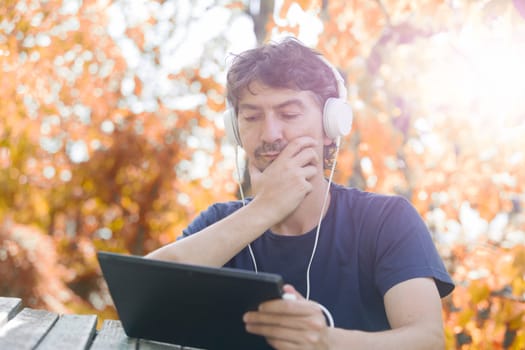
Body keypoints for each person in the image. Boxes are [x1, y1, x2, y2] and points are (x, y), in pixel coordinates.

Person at [146, 37, 454, 349]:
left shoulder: (385, 220)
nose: (270, 134)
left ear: (330, 126)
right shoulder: (217, 222)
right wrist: (265, 208)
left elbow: (426, 341)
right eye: (252, 117)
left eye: (289, 114)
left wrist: (325, 342)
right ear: (236, 130)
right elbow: (144, 299)